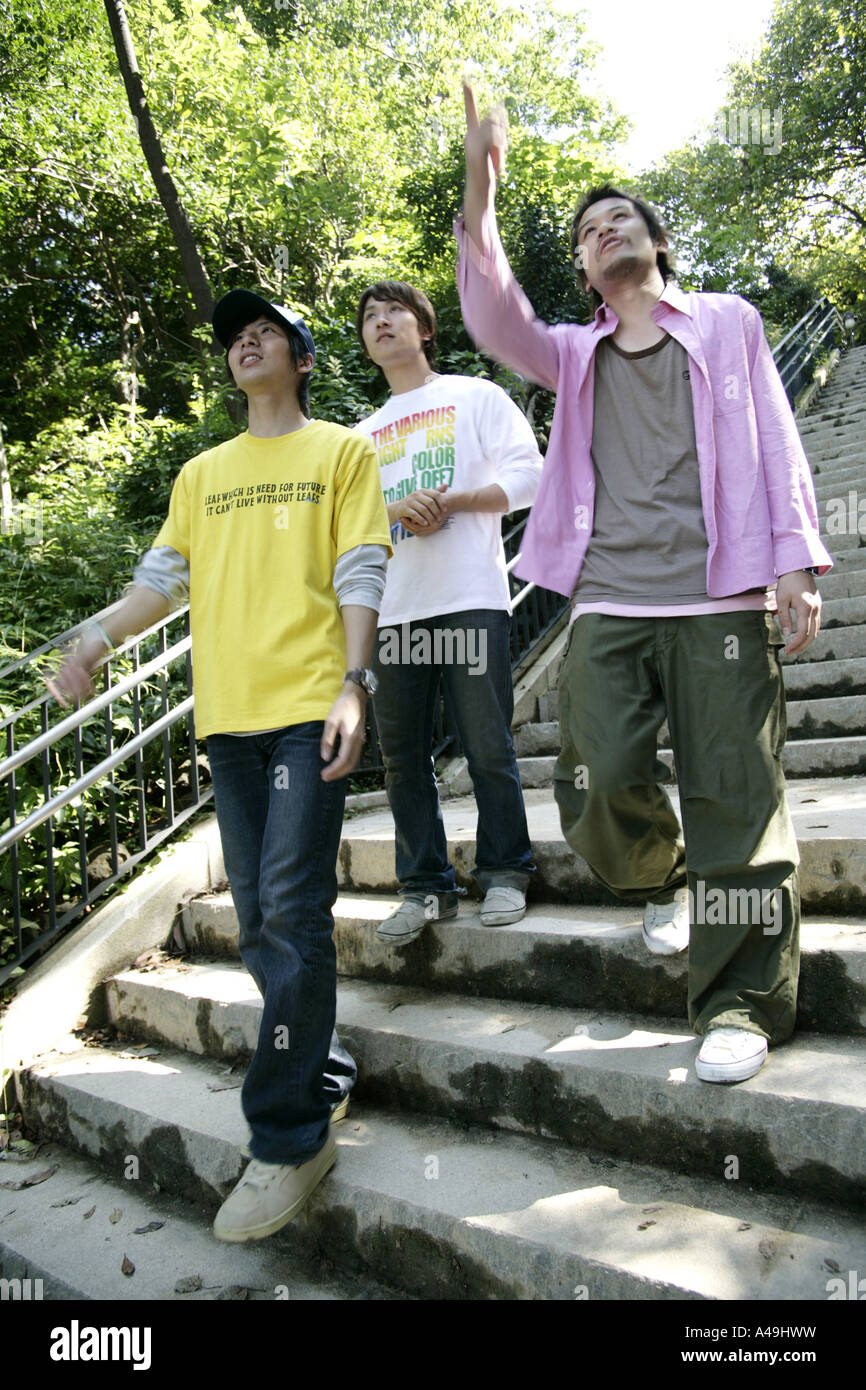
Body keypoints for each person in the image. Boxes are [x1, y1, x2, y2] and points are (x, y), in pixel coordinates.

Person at [456, 86, 833, 1083]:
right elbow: (493, 316)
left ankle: (740, 1002)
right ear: (584, 269)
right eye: (587, 231)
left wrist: (793, 563)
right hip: (610, 598)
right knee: (594, 780)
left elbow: (775, 438)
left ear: (656, 243)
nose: (603, 231)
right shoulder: (570, 354)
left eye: (619, 218)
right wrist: (480, 192)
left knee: (736, 798)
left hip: (720, 597)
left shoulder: (727, 323)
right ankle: (665, 878)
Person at [48, 289, 391, 1236]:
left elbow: (362, 570)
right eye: (237, 335)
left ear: (303, 358)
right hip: (229, 721)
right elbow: (159, 584)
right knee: (258, 919)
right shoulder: (202, 474)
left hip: (309, 707)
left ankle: (288, 1135)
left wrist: (355, 685)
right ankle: (318, 1061)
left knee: (288, 904)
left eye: (267, 330)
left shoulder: (342, 453)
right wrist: (96, 639)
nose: (248, 341)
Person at [354, 280, 543, 944]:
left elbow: (530, 476)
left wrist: (455, 501)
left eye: (395, 311)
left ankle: (506, 871)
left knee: (487, 744)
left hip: (469, 599)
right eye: (370, 317)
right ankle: (425, 887)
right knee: (403, 759)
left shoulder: (474, 396)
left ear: (426, 329)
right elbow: (340, 528)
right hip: (394, 611)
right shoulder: (358, 437)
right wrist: (393, 510)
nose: (381, 322)